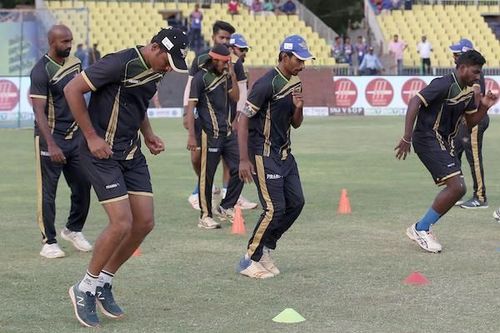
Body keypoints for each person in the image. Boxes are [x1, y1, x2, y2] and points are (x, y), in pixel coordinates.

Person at [64, 27, 188, 327]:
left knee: (144, 222)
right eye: (167, 61)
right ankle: (84, 287)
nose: (168, 69)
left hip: (131, 153)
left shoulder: (156, 71)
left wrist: (149, 135)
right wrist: (92, 136)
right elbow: (72, 89)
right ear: (156, 47)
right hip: (101, 153)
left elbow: (138, 104)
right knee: (121, 222)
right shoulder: (119, 62)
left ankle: (104, 280)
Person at [395, 50, 497, 253]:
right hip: (427, 138)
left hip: (444, 142)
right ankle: (420, 228)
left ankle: (422, 227)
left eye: (480, 73)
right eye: (475, 72)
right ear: (462, 68)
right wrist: (407, 136)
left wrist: (484, 107)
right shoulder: (443, 84)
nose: (478, 76)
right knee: (457, 187)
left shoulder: (469, 92)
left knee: (458, 188)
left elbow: (470, 122)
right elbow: (415, 101)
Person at [237, 35, 311, 278]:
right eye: (298, 60)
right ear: (284, 56)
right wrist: (243, 159)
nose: (302, 65)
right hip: (263, 154)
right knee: (273, 208)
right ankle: (250, 259)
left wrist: (299, 108)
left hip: (285, 155)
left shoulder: (296, 83)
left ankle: (266, 247)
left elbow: (296, 124)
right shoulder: (265, 84)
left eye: (304, 60)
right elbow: (243, 119)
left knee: (296, 203)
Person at [29, 24, 92, 259]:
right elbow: (38, 111)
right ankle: (49, 242)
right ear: (52, 42)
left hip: (76, 138)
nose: (69, 45)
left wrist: (87, 132)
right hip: (51, 140)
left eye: (71, 41)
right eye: (64, 42)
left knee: (84, 184)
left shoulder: (76, 62)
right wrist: (51, 144)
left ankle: (73, 230)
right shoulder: (41, 70)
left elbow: (81, 97)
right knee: (48, 192)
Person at [183, 21, 257, 212]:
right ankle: (199, 191)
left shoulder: (235, 63)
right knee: (197, 157)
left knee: (229, 159)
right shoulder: (200, 60)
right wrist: (186, 112)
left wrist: (239, 118)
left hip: (228, 119)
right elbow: (190, 86)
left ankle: (227, 195)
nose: (225, 41)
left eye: (228, 38)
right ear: (213, 37)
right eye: (221, 37)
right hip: (203, 119)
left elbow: (241, 93)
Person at [185, 44, 241, 229]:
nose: (226, 64)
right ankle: (205, 216)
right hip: (210, 135)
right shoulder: (200, 78)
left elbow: (235, 97)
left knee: (240, 168)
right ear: (214, 59)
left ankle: (226, 206)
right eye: (224, 62)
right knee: (207, 177)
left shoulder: (225, 75)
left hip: (228, 132)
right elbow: (191, 108)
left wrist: (232, 74)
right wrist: (191, 136)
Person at [449, 39, 490, 209]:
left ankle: (480, 197)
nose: (453, 57)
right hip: (466, 122)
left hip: (474, 121)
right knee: (455, 152)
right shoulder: (468, 71)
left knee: (474, 159)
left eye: (457, 54)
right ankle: (457, 190)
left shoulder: (472, 73)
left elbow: (476, 97)